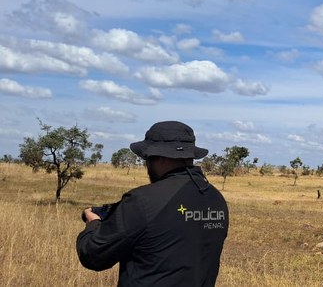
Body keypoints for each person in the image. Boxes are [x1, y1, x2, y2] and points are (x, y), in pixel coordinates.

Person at [77, 121, 228, 286]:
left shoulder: (142, 200)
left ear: (160, 157)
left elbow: (93, 256)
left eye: (147, 158)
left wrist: (93, 223)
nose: (147, 165)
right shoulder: (216, 198)